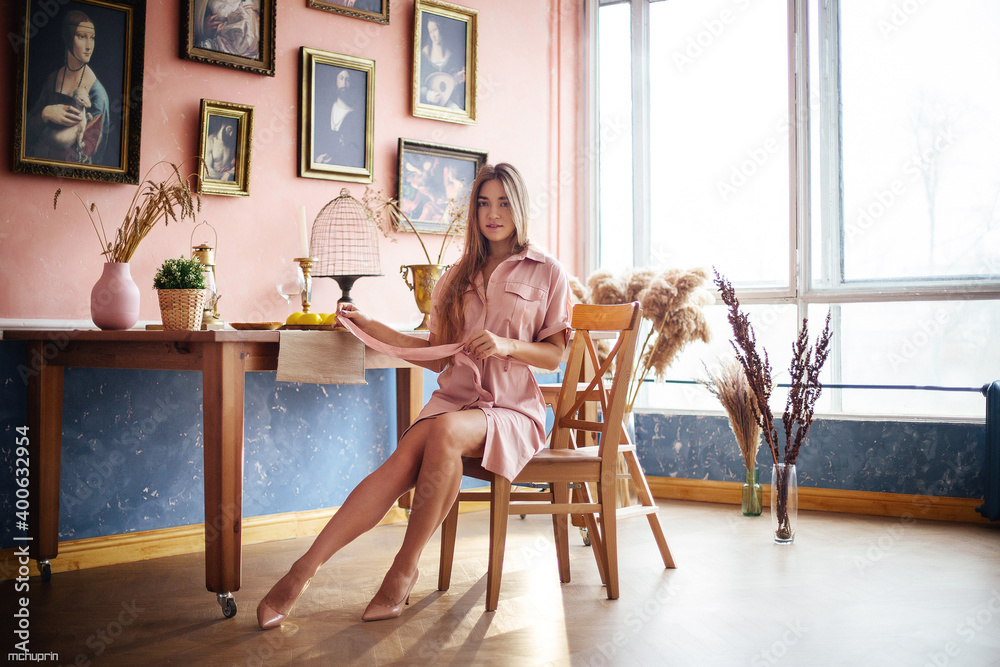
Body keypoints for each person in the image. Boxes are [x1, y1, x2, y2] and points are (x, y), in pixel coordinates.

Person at [257, 163, 573, 627]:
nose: (493, 213)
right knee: (400, 463)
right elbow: (437, 355)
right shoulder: (454, 277)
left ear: (520, 207)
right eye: (483, 203)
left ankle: (402, 569)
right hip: (454, 402)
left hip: (511, 410)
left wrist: (506, 345)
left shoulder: (548, 272)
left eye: (504, 203)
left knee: (444, 432)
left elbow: (555, 355)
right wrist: (372, 326)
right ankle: (302, 571)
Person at [26, 10, 111, 165]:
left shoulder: (97, 94)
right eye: (81, 36)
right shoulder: (52, 79)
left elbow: (90, 155)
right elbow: (26, 133)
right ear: (68, 38)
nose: (89, 46)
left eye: (92, 38)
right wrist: (45, 114)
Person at [314, 67, 365, 169]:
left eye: (347, 80)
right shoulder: (325, 108)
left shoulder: (355, 115)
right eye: (341, 78)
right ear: (336, 81)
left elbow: (353, 151)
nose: (344, 83)